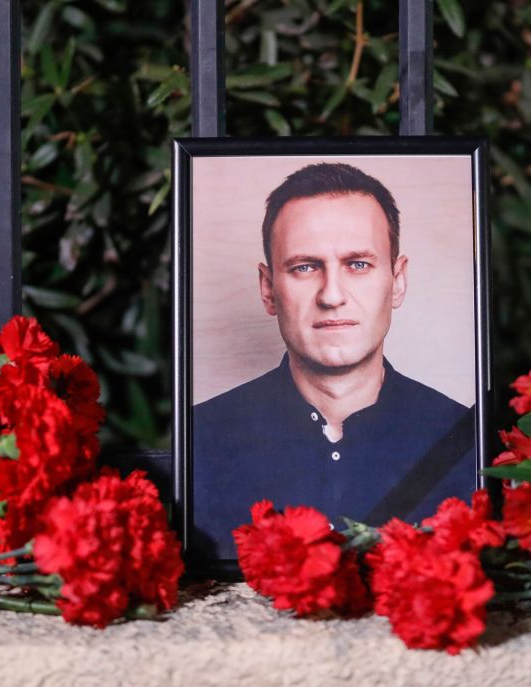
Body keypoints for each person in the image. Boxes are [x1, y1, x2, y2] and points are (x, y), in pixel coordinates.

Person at [192, 162, 477, 561]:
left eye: (358, 264)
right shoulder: (199, 440)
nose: (331, 295)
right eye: (305, 267)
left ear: (397, 281)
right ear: (268, 288)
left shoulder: (466, 442)